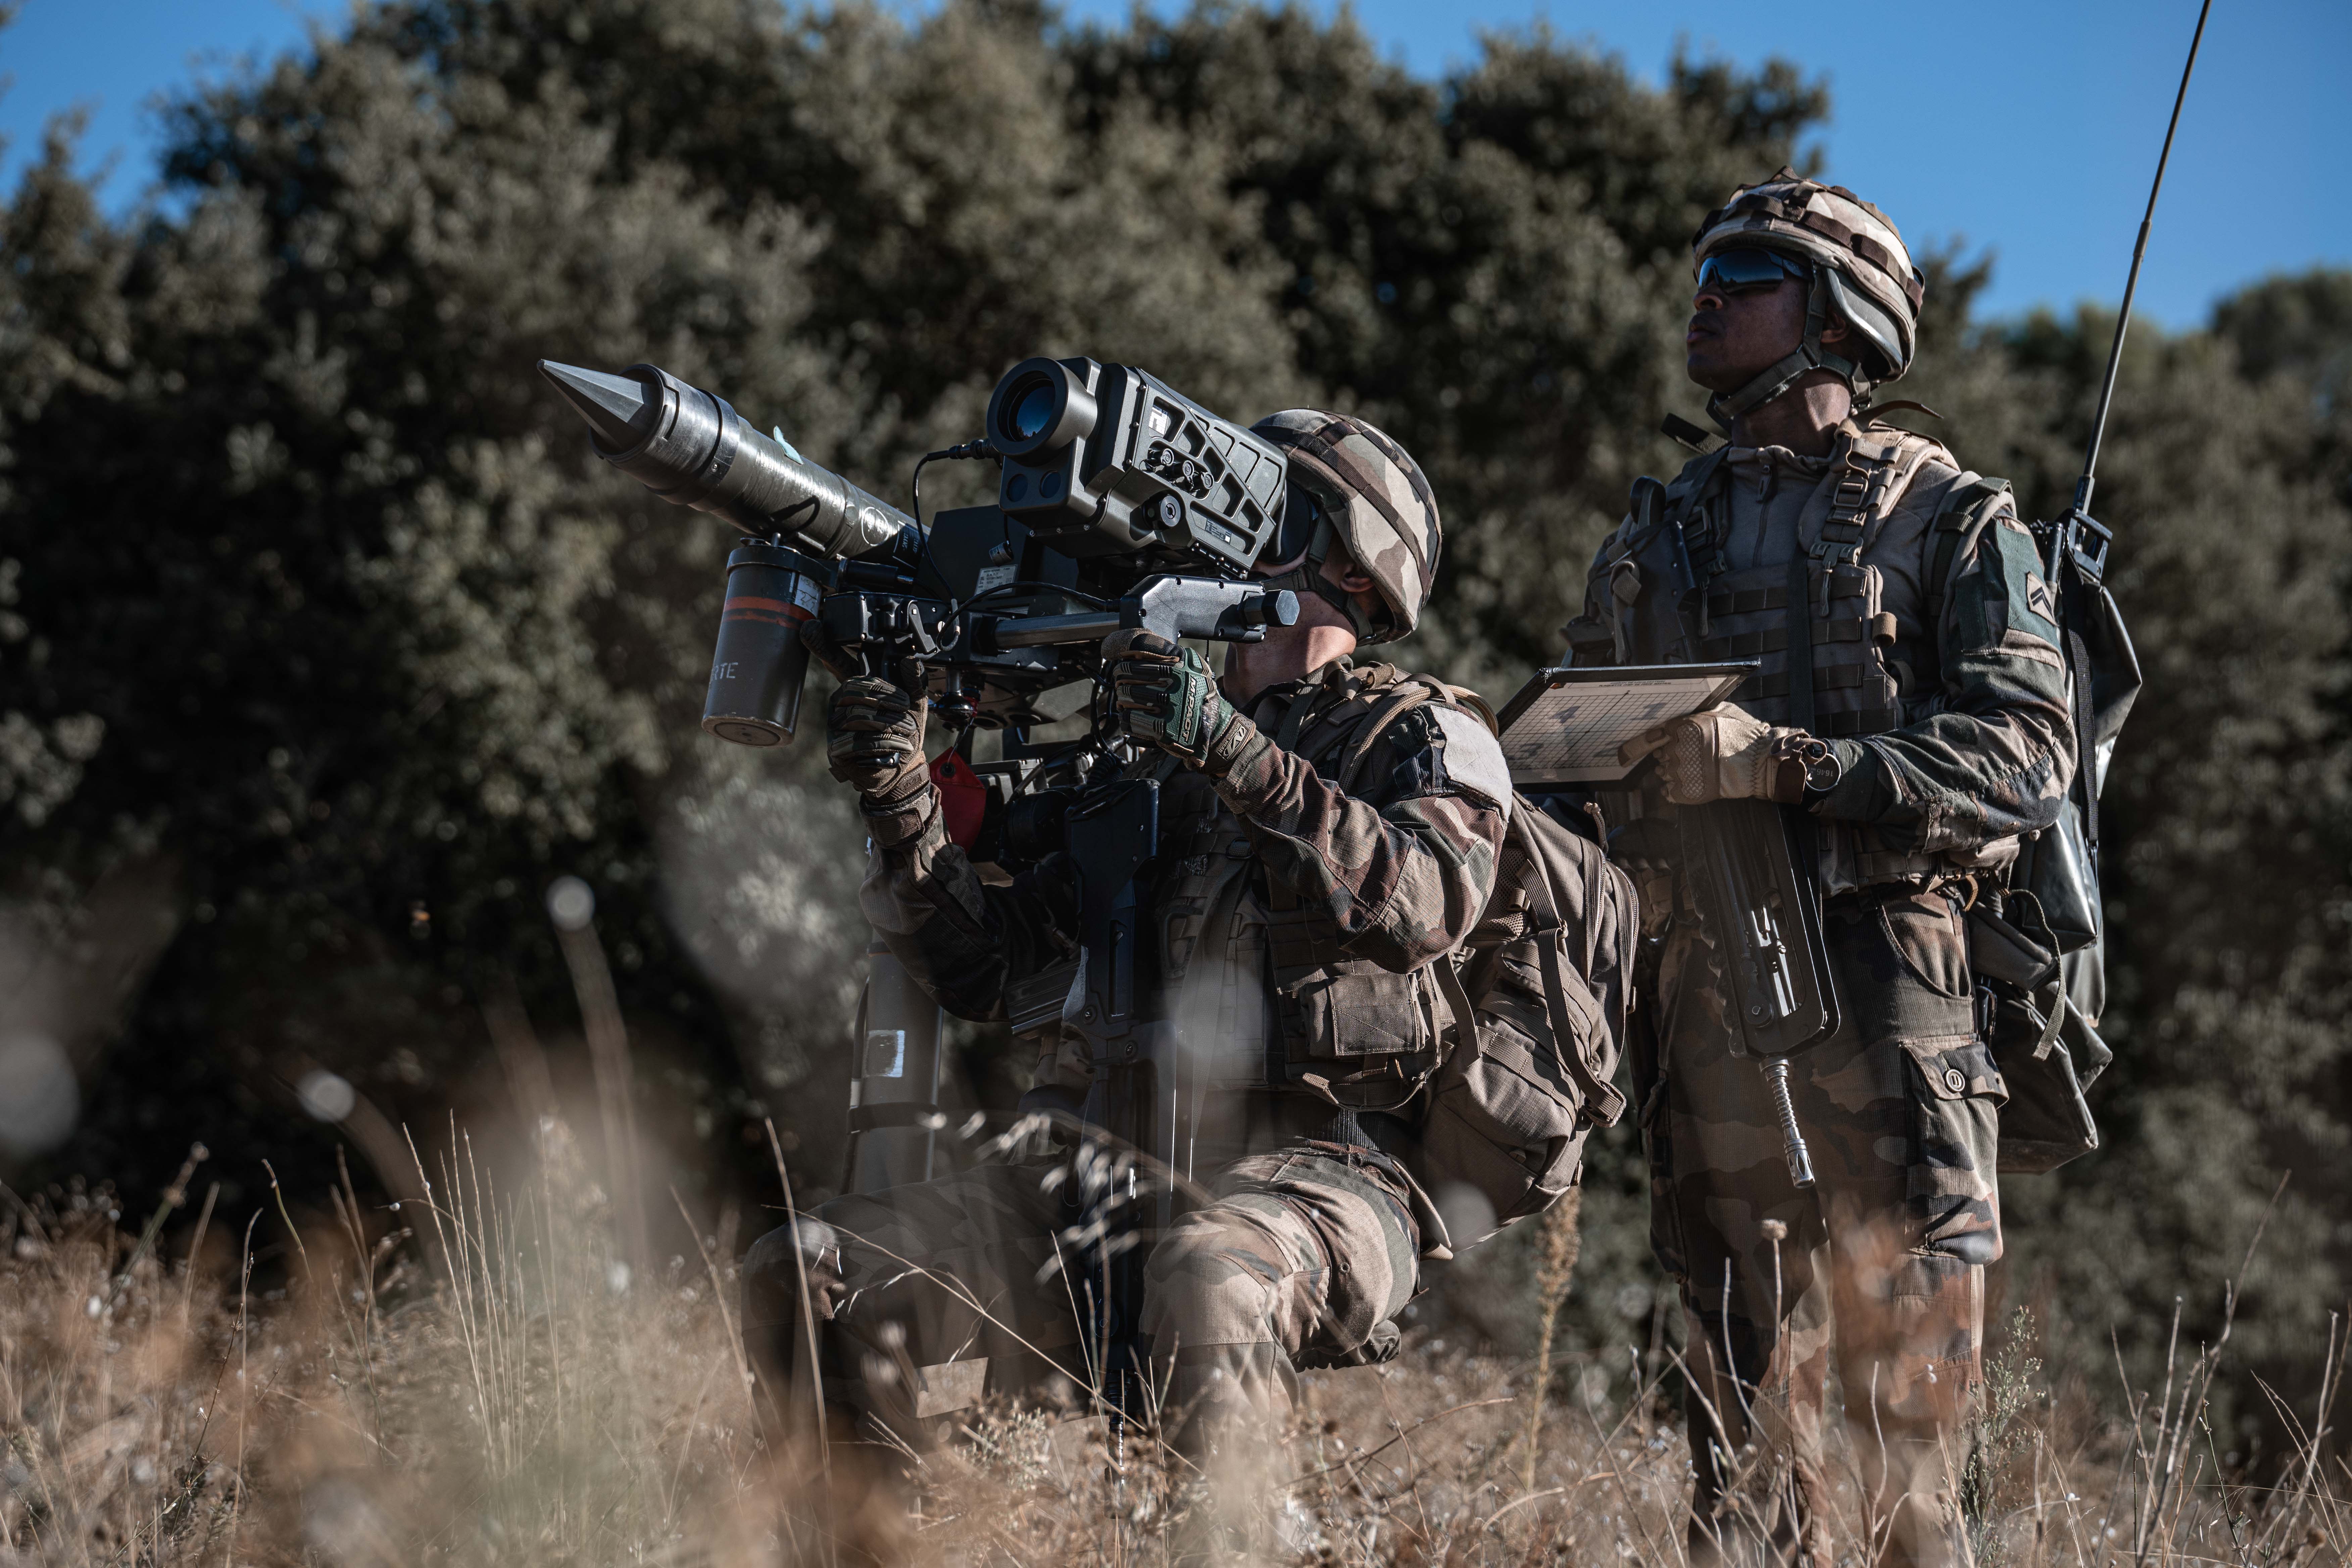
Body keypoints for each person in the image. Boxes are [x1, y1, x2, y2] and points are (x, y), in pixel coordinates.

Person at [742, 410, 1512, 1484]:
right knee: (806, 1271)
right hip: (1088, 1176)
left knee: (1212, 1278)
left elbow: (1424, 898)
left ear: (1351, 560)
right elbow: (984, 970)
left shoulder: (1420, 736)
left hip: (1321, 1176)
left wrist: (1230, 750)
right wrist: (901, 801)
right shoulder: (1146, 748)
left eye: (1271, 506)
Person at [1564, 170, 2075, 1568]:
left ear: (1842, 312)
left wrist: (1799, 765)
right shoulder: (1655, 538)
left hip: (1892, 992)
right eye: (1704, 271)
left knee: (1912, 1444)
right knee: (1737, 1441)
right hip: (1708, 996)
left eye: (1750, 271)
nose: (1707, 296)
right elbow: (1574, 760)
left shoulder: (1949, 517)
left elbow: (2030, 752)